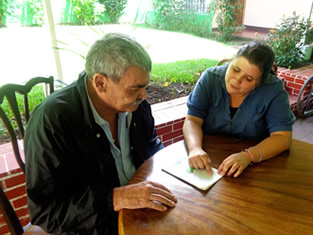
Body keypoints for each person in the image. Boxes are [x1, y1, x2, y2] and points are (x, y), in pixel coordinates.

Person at [25, 33, 177, 235]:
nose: (144, 96)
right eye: (136, 88)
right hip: (92, 225)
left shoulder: (135, 106)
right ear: (100, 83)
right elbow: (48, 212)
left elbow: (152, 147)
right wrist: (117, 198)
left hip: (143, 211)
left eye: (145, 86)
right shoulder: (53, 121)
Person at [183, 40, 295, 178]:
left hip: (255, 168)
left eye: (248, 79)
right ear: (231, 61)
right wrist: (195, 148)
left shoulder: (274, 90)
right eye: (235, 69)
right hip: (208, 161)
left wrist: (248, 156)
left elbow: (283, 137)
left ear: (260, 82)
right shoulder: (210, 78)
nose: (236, 80)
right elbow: (192, 120)